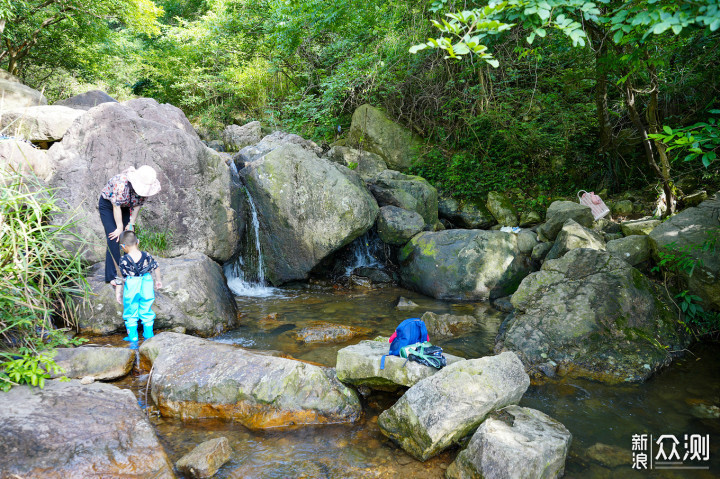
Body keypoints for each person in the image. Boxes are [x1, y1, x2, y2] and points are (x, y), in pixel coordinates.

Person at [98, 165, 161, 285]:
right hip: (108, 206)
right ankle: (112, 276)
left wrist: (131, 223)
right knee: (114, 236)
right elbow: (116, 207)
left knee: (128, 237)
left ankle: (129, 270)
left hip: (125, 207)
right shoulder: (121, 184)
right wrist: (119, 227)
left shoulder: (145, 190)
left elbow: (137, 205)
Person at [114, 230, 162, 342]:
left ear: (123, 246)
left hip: (132, 284)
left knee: (131, 309)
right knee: (146, 307)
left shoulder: (123, 260)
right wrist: (158, 280)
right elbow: (156, 266)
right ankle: (149, 334)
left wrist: (118, 293)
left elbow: (120, 278)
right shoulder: (146, 255)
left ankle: (133, 337)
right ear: (138, 242)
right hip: (146, 282)